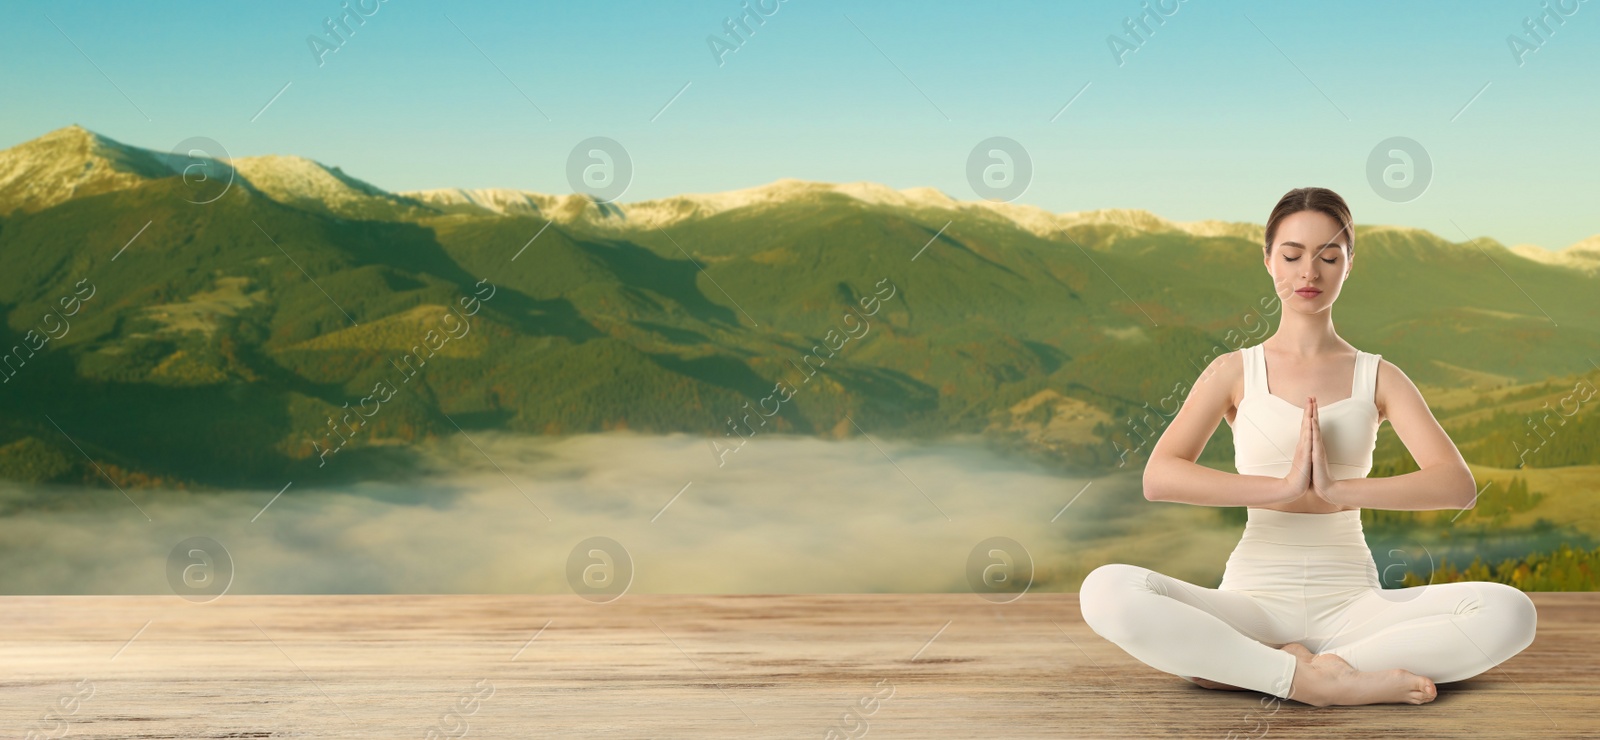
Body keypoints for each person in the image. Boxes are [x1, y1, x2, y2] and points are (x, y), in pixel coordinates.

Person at [1078, 187, 1538, 707]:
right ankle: (1317, 681)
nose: (1309, 274)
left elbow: (1456, 486)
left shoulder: (1378, 376)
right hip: (1252, 601)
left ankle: (1274, 668)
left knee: (1510, 612)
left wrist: (1339, 491)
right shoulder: (1234, 371)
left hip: (1354, 606)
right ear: (1268, 258)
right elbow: (1160, 476)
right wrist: (1282, 488)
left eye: (1328, 257)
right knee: (1105, 589)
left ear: (1349, 264)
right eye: (1293, 255)